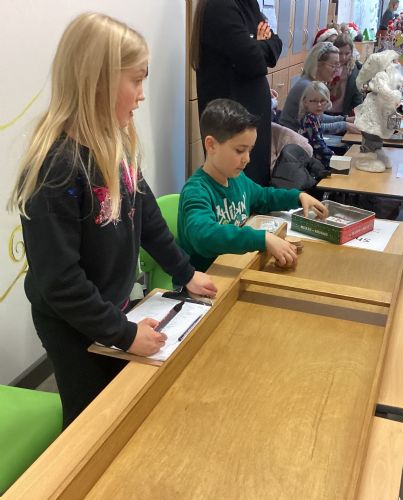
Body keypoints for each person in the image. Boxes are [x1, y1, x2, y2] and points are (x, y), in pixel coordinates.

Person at [7, 13, 217, 428]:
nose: (142, 95)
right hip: (71, 323)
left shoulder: (115, 144)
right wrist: (124, 334)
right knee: (91, 420)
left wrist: (185, 272)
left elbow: (147, 217)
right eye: (136, 80)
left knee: (124, 402)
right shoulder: (57, 167)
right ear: (97, 81)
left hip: (112, 308)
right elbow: (60, 281)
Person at [178, 98, 328, 272]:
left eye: (250, 150)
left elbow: (264, 196)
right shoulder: (196, 191)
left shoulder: (237, 179)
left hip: (235, 267)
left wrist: (298, 196)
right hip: (204, 279)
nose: (247, 159)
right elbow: (204, 236)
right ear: (211, 145)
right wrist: (262, 239)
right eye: (240, 150)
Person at [191, 0, 282, 187]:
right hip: (233, 119)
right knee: (236, 188)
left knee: (255, 187)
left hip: (251, 117)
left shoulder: (248, 4)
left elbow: (277, 44)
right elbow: (253, 61)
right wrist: (260, 44)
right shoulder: (220, 6)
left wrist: (257, 44)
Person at [279, 43, 358, 135]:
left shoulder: (310, 82)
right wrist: (345, 125)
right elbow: (313, 127)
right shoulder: (307, 87)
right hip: (292, 139)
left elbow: (318, 117)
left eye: (338, 66)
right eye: (333, 66)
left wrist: (345, 119)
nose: (336, 70)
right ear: (318, 65)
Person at [298, 81, 334, 168]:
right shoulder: (310, 119)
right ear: (305, 102)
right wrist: (334, 156)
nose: (319, 105)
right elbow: (318, 145)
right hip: (312, 163)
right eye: (314, 101)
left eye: (322, 101)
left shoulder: (314, 116)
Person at [330, 34, 364, 117]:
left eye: (347, 53)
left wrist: (359, 114)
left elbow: (357, 94)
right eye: (340, 53)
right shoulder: (328, 65)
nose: (343, 57)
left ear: (351, 52)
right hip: (324, 112)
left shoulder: (353, 70)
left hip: (342, 114)